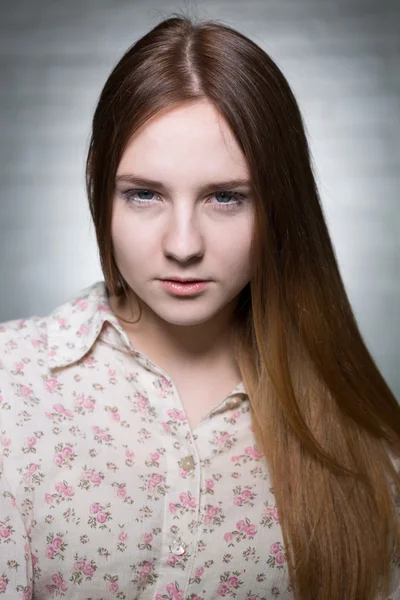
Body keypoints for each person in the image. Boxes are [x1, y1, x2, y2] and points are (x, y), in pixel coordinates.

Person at [0, 12, 399, 600]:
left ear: (279, 207)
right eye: (144, 194)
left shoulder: (367, 445)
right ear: (98, 192)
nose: (182, 246)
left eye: (225, 198)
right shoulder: (12, 386)